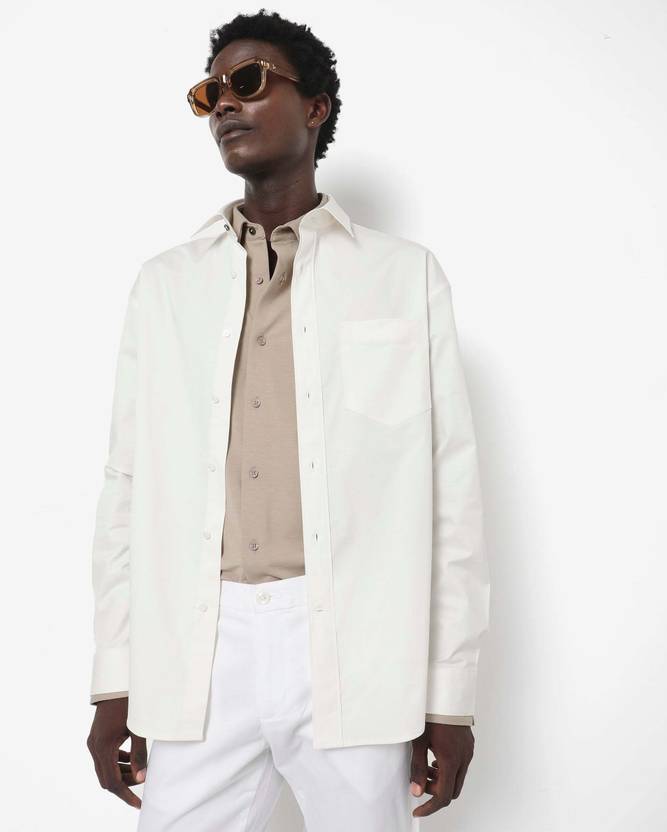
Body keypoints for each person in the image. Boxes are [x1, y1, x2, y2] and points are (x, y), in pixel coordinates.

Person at [86, 9, 490, 831]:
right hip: (198, 645)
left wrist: (450, 699)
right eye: (210, 93)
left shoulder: (402, 277)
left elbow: (449, 493)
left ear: (315, 106)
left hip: (354, 641)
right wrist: (115, 680)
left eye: (248, 81)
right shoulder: (165, 285)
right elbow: (127, 487)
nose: (225, 105)